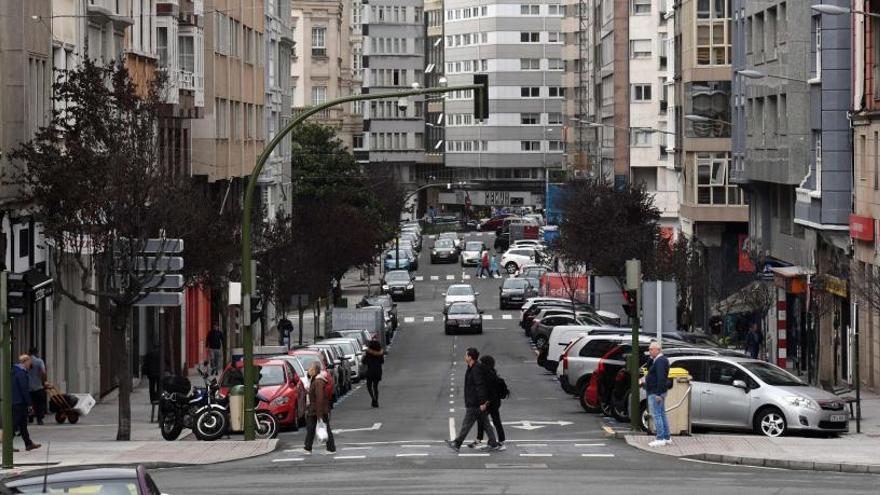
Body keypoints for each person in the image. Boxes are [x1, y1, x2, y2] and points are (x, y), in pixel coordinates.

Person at [446, 348, 501, 452]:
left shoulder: (476, 369)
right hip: (476, 402)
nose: (464, 357)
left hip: (475, 403)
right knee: (485, 423)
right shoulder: (472, 367)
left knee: (467, 424)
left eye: (466, 355)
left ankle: (457, 443)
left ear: (470, 357)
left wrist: (482, 402)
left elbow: (479, 386)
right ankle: (493, 443)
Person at [469, 355, 507, 449]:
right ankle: (497, 441)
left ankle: (494, 441)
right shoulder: (490, 373)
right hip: (493, 401)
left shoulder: (489, 375)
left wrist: (485, 402)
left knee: (491, 420)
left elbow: (490, 391)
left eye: (481, 363)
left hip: (491, 402)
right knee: (490, 420)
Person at [641, 341, 671, 447]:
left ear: (658, 350)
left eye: (651, 349)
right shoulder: (656, 360)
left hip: (656, 392)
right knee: (662, 414)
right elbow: (649, 368)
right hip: (657, 391)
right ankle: (666, 437)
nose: (649, 351)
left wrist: (658, 393)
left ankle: (660, 437)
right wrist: (650, 358)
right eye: (649, 349)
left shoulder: (660, 361)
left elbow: (661, 378)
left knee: (657, 414)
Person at [303, 362, 336, 454]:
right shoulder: (315, 380)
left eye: (311, 369)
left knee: (318, 427)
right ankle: (308, 447)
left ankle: (330, 448)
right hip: (316, 409)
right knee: (312, 427)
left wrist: (319, 414)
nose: (309, 371)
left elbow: (320, 398)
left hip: (317, 409)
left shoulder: (318, 382)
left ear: (314, 370)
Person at [13, 355, 40, 451]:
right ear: (25, 362)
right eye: (29, 362)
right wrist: (29, 403)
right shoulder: (21, 373)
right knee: (14, 424)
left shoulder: (16, 370)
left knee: (23, 424)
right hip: (19, 402)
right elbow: (24, 389)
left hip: (17, 401)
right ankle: (7, 445)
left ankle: (28, 443)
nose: (30, 364)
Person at [27, 348, 47, 425]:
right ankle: (39, 419)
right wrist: (44, 381)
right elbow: (43, 372)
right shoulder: (39, 361)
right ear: (36, 353)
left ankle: (30, 417)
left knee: (30, 403)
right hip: (38, 386)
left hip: (28, 386)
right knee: (40, 403)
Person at [362, 340, 385, 408]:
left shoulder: (368, 353)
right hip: (378, 371)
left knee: (369, 386)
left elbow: (364, 362)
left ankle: (373, 398)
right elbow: (382, 361)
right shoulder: (380, 353)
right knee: (375, 387)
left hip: (370, 371)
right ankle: (376, 400)